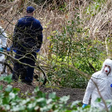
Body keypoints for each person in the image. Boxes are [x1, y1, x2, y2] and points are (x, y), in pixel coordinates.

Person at [12, 6, 43, 84]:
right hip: (31, 46)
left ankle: (15, 79)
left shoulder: (20, 21)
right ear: (33, 12)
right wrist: (38, 46)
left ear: (26, 11)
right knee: (30, 63)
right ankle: (28, 81)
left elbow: (15, 34)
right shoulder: (36, 22)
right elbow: (40, 36)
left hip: (21, 46)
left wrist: (14, 45)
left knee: (18, 62)